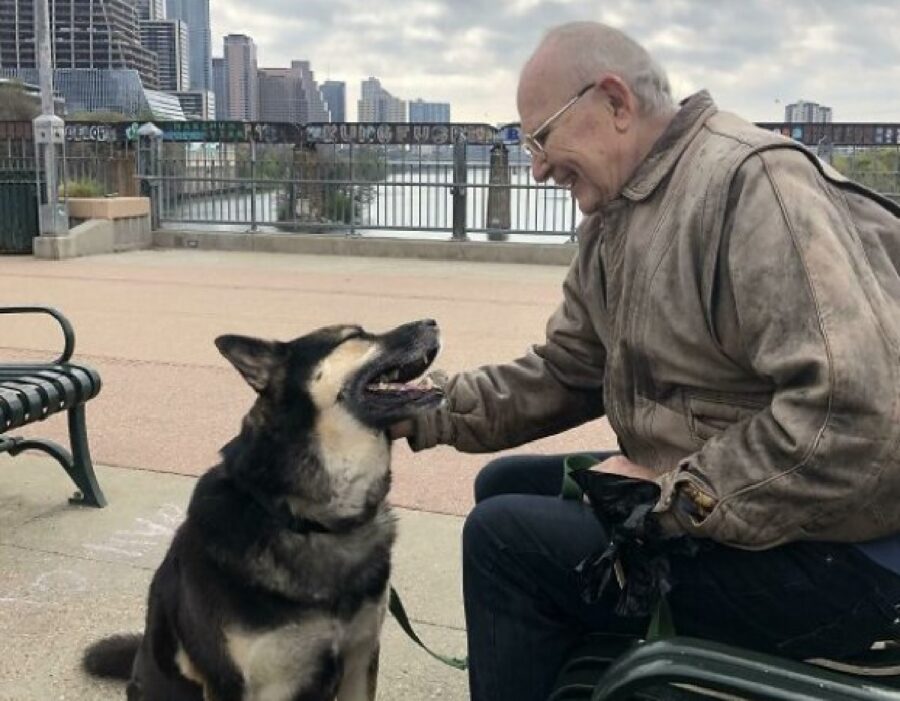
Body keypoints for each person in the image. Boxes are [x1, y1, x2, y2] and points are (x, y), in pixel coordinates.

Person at [392, 20, 900, 701]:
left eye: (541, 137)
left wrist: (668, 498)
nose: (536, 166)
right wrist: (421, 406)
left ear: (614, 102)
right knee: (504, 485)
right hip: (760, 519)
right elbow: (565, 369)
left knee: (504, 542)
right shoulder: (616, 221)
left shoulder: (751, 186)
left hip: (841, 563)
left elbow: (852, 412)